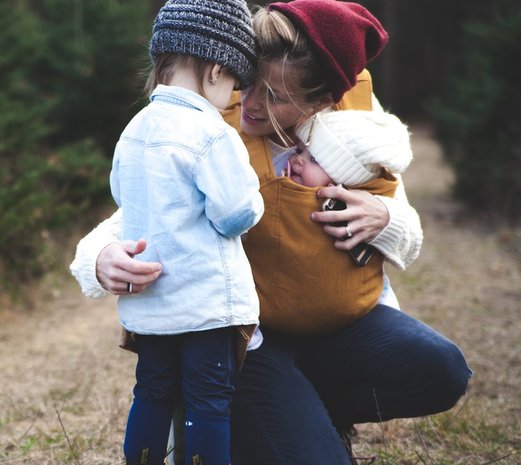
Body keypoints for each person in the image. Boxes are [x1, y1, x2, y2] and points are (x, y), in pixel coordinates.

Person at [70, 1, 472, 464]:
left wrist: (386, 218)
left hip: (340, 327)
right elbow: (140, 209)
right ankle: (263, 418)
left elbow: (409, 232)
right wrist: (99, 258)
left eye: (277, 96)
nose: (253, 104)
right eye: (250, 84)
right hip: (250, 339)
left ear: (322, 101)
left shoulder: (356, 127)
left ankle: (305, 414)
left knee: (443, 370)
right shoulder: (210, 121)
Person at [110, 1, 263, 464]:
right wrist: (253, 198)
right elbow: (235, 213)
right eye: (235, 83)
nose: (233, 97)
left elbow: (122, 196)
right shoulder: (210, 132)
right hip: (205, 305)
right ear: (217, 70)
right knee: (208, 403)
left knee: (152, 393)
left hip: (151, 303)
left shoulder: (133, 130)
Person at [249, 109, 414, 335]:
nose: (297, 160)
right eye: (299, 151)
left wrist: (387, 217)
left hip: (357, 314)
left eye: (314, 160)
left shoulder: (357, 203)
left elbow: (409, 243)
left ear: (343, 183)